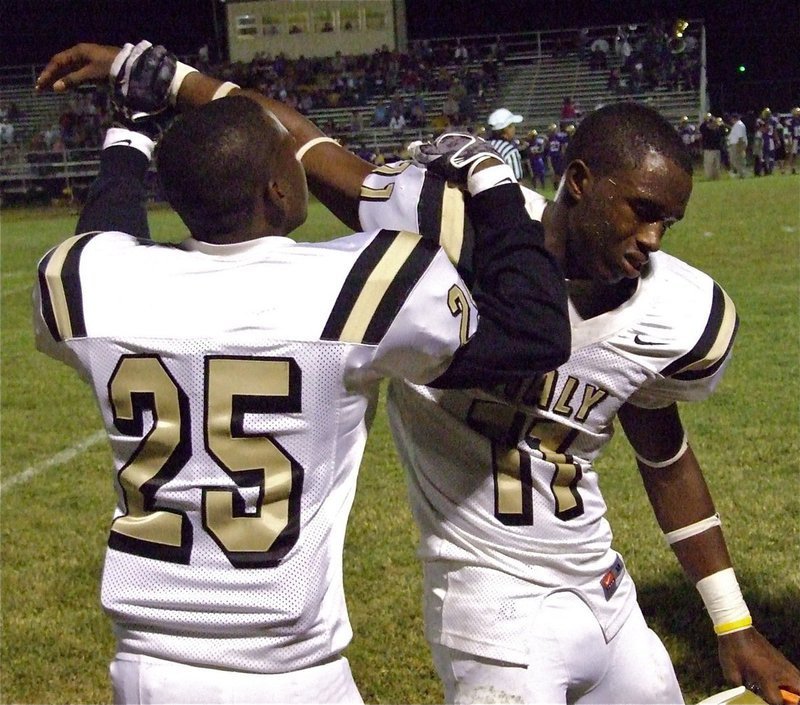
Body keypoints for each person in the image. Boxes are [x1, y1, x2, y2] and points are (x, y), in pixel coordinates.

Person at [42, 45, 799, 705]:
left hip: (603, 587)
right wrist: (169, 76)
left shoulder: (675, 310)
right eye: (642, 210)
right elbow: (306, 146)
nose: (654, 239)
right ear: (579, 181)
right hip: (487, 604)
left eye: (669, 221)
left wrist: (732, 619)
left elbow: (664, 452)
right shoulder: (437, 234)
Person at [34, 42, 570, 705]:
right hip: (287, 671)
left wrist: (129, 136)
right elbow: (535, 332)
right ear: (277, 189)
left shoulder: (91, 278)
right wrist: (494, 189)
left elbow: (102, 236)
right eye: (291, 153)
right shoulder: (356, 284)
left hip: (147, 670)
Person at [487, 107, 525, 180]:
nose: (514, 128)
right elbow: (516, 181)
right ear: (505, 129)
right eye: (511, 126)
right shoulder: (509, 150)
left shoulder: (484, 145)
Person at [699, 112, 723, 180]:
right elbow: (702, 128)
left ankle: (716, 177)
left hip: (715, 149)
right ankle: (710, 177)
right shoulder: (705, 129)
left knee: (716, 165)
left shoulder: (717, 130)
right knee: (709, 165)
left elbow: (723, 132)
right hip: (709, 149)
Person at [726, 112, 748, 178]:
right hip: (736, 144)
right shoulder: (737, 125)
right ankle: (740, 173)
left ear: (734, 118)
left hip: (737, 144)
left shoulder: (739, 125)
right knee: (735, 159)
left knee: (737, 159)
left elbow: (740, 136)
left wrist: (739, 146)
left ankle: (741, 174)